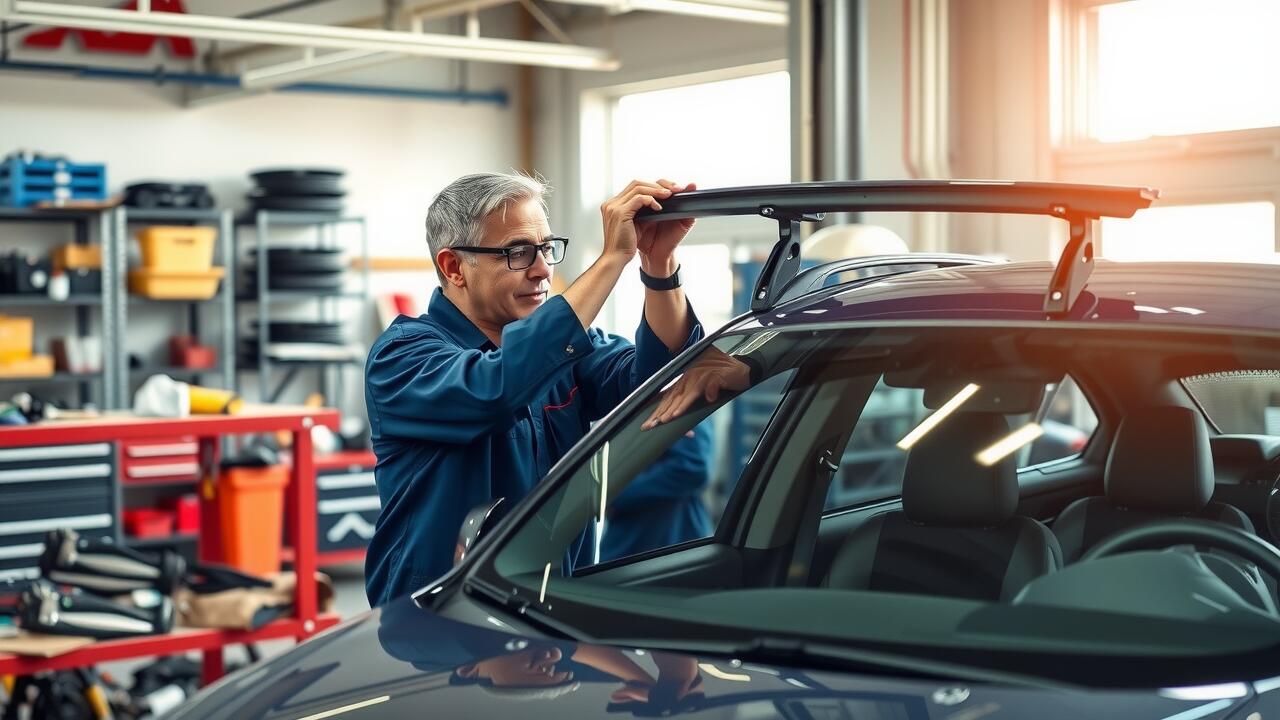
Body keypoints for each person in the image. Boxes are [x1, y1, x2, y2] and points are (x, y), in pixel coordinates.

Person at [364, 172, 715, 606]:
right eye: (517, 253)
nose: (544, 268)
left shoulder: (564, 350)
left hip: (553, 610)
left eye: (546, 248)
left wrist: (657, 266)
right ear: (454, 267)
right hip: (439, 621)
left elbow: (659, 376)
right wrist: (610, 260)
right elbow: (496, 389)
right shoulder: (403, 358)